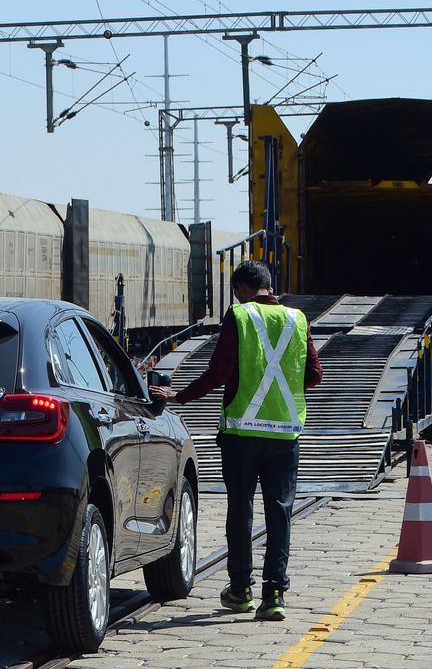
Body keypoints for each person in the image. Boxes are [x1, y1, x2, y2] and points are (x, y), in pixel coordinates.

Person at [150, 261, 322, 621]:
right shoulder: (297, 319)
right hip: (285, 436)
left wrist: (178, 396)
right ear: (269, 286)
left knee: (240, 510)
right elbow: (315, 375)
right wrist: (283, 394)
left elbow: (219, 372)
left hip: (242, 435)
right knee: (279, 512)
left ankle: (241, 590)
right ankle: (274, 595)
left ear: (241, 288)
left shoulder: (239, 316)